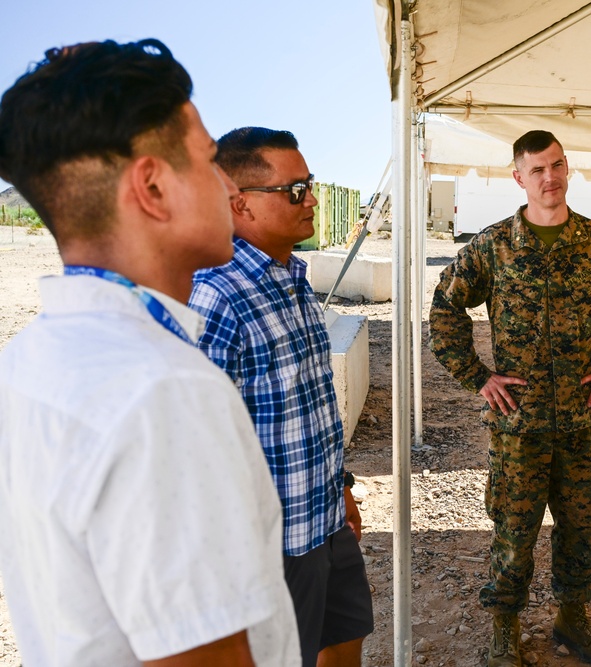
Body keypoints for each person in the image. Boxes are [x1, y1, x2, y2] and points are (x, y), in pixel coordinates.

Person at [0, 40, 299, 665]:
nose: (227, 185)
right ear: (154, 186)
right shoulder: (162, 388)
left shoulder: (31, 357)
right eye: (210, 159)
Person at [429, 130, 591, 667]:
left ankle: (572, 620)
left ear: (567, 168)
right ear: (518, 178)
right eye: (536, 170)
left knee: (580, 525)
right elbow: (445, 307)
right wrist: (477, 375)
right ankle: (504, 629)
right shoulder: (495, 244)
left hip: (580, 422)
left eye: (555, 166)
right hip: (518, 425)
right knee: (514, 529)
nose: (548, 178)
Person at [188, 127, 373, 667]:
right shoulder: (215, 297)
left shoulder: (292, 276)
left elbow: (309, 405)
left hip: (323, 520)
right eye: (295, 190)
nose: (312, 198)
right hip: (267, 550)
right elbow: (199, 451)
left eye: (309, 184)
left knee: (344, 641)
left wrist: (339, 489)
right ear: (239, 203)